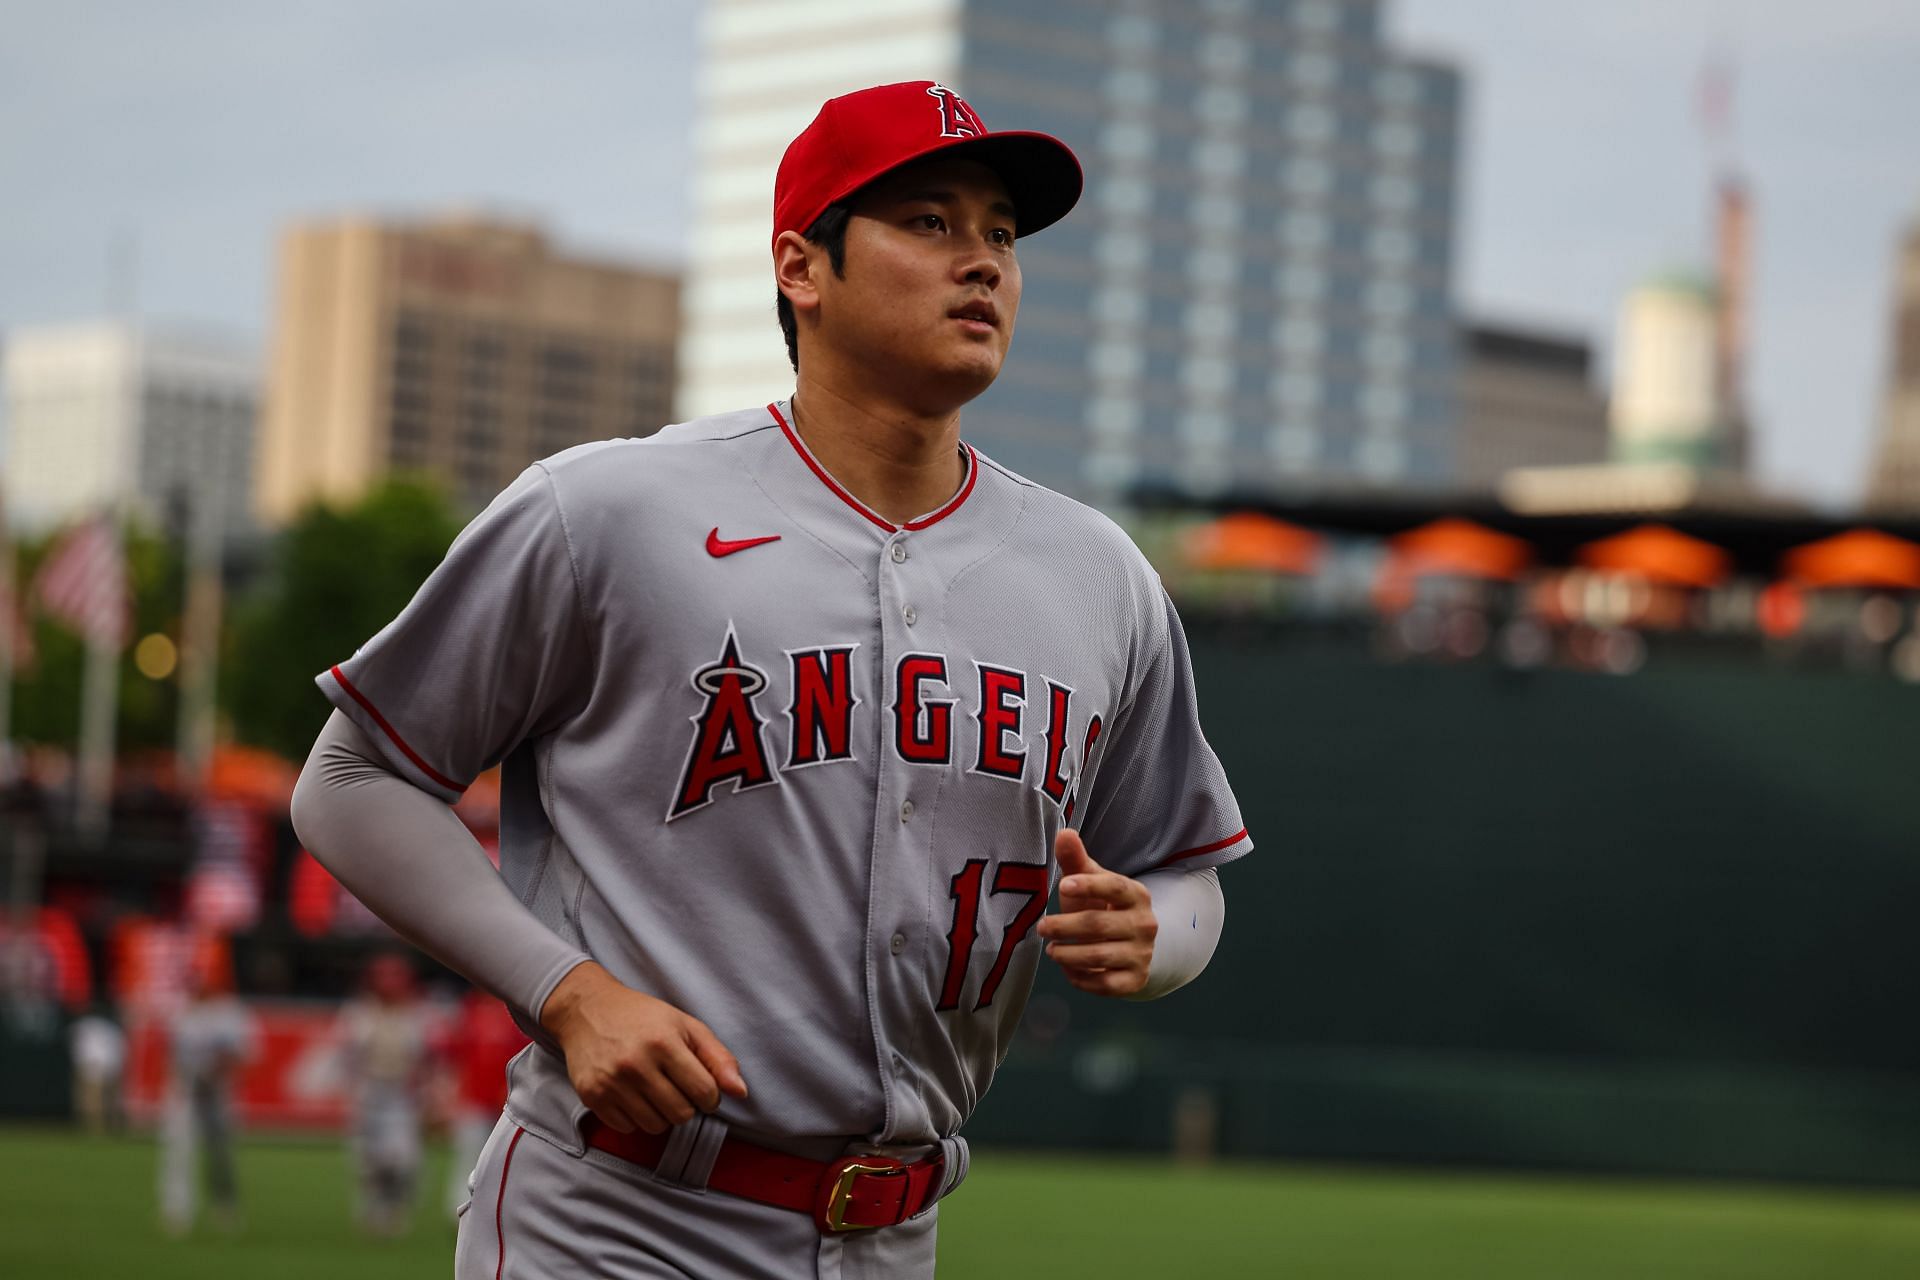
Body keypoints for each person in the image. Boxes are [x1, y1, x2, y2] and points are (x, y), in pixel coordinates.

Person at [291, 79, 1250, 1279]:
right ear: (803, 266)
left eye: (1001, 234)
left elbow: (1190, 877)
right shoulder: (610, 509)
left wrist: (1154, 929)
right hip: (619, 1216)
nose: (983, 264)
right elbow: (352, 776)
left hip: (895, 1232)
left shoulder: (1096, 572)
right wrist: (568, 990)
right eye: (929, 222)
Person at [157, 943, 253, 1235]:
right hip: (186, 1089)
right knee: (178, 1152)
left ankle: (225, 1207)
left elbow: (237, 1055)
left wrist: (212, 1074)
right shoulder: (181, 1014)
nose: (197, 985)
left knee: (219, 1154)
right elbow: (171, 1055)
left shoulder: (228, 1013)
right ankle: (176, 1212)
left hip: (217, 1092)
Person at [338, 951, 434, 1236]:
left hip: (401, 1096)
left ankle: (397, 1207)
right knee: (369, 1161)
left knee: (401, 1160)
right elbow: (348, 1057)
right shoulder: (359, 1014)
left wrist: (428, 1094)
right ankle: (372, 1209)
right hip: (370, 1093)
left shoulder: (418, 1015)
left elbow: (426, 1060)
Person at [436, 985, 529, 1220]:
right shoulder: (468, 1010)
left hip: (507, 1103)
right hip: (473, 1100)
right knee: (468, 1156)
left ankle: (498, 1212)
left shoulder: (514, 1012)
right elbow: (453, 1055)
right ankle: (459, 1213)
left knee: (503, 1160)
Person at [69, 1002, 128, 1135]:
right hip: (106, 1064)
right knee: (105, 1099)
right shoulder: (110, 1027)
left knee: (93, 1098)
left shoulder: (85, 1025)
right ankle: (105, 1127)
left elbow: (78, 1047)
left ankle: (97, 1128)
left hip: (92, 1064)